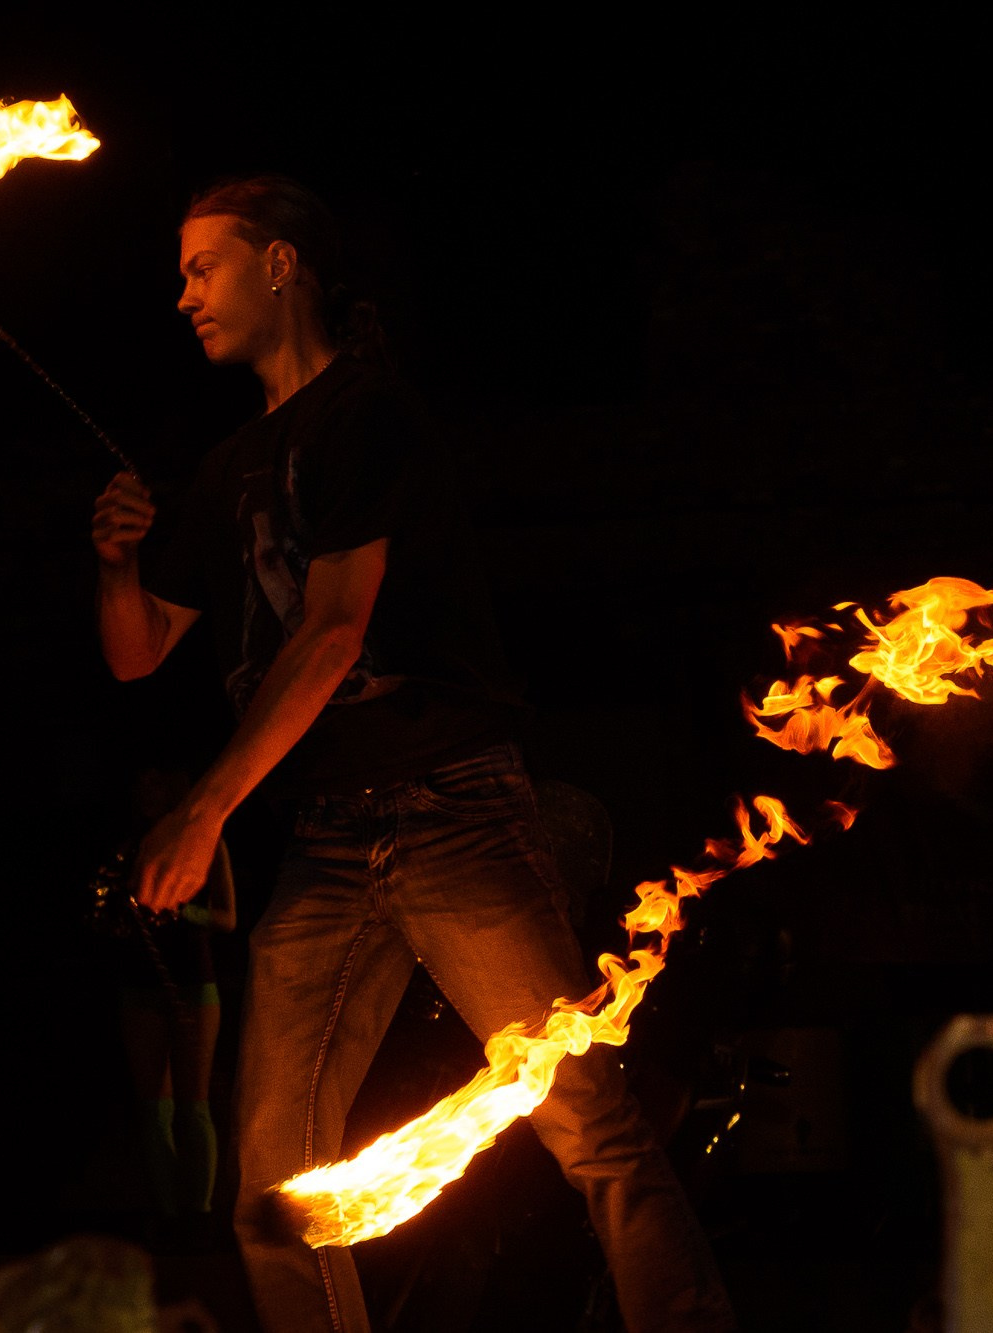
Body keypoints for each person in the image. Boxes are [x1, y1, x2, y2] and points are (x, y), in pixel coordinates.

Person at [90, 176, 734, 1333]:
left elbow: (336, 630)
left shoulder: (368, 417)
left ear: (280, 265)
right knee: (269, 1194)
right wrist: (117, 561)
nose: (181, 294)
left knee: (585, 1121)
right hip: (328, 839)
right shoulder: (229, 462)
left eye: (203, 266)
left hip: (454, 814)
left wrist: (204, 808)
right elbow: (137, 656)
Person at [92, 766, 237, 1229]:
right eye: (141, 783)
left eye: (156, 781)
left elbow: (228, 918)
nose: (146, 790)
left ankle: (200, 1212)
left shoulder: (205, 840)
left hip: (193, 980)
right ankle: (168, 1214)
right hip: (139, 982)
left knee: (194, 1103)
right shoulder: (124, 848)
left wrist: (181, 908)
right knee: (154, 1105)